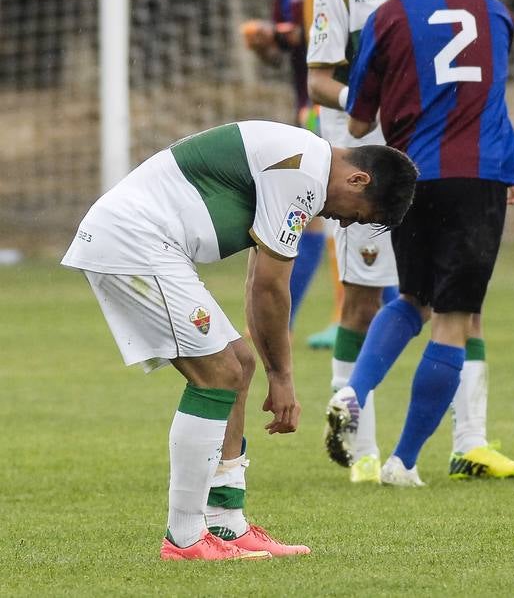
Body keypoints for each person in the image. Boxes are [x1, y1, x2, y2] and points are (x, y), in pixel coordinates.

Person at [61, 120, 417, 559]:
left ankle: (227, 523)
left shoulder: (300, 162)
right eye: (354, 214)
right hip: (135, 243)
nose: (341, 221)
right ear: (358, 178)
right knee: (219, 374)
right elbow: (271, 287)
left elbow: (255, 283)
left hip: (144, 243)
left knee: (238, 365)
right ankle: (186, 537)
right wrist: (283, 379)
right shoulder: (303, 173)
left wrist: (270, 369)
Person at [325, 0, 514, 487]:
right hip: (477, 178)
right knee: (455, 317)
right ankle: (404, 461)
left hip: (413, 178)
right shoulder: (495, 14)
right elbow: (488, 99)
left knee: (411, 298)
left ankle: (354, 391)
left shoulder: (389, 17)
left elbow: (361, 123)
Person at [307, 0, 422, 484]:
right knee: (362, 299)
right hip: (366, 175)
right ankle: (358, 448)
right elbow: (318, 79)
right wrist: (369, 101)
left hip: (432, 165)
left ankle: (463, 442)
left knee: (440, 295)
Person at [276, 0, 365, 349]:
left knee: (328, 208)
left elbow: (366, 14)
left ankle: (354, 312)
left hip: (340, 101)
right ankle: (342, 313)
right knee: (312, 210)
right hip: (325, 99)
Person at [240, 0, 325, 329]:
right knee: (311, 213)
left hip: (336, 108)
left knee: (310, 212)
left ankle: (288, 319)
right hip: (306, 110)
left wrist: (287, 36)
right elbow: (282, 55)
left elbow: (326, 38)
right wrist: (267, 46)